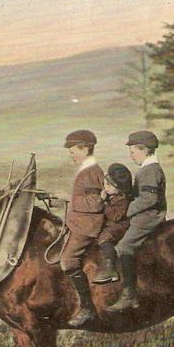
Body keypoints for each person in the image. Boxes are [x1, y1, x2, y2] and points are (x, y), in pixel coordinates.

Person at [106, 130, 167, 313]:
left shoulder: (150, 171)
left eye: (133, 151)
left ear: (144, 150)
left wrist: (126, 210)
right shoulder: (146, 169)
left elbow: (149, 199)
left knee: (124, 246)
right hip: (142, 215)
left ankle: (129, 295)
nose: (131, 155)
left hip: (147, 217)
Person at [60, 129, 105, 327]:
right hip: (80, 221)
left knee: (68, 260)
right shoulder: (86, 170)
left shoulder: (92, 172)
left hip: (87, 226)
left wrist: (68, 198)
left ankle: (88, 308)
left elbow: (95, 204)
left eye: (73, 151)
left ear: (86, 148)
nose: (71, 155)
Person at [93, 163, 133, 284]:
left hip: (120, 225)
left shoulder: (123, 200)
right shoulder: (113, 196)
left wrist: (104, 203)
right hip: (114, 224)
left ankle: (110, 268)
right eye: (105, 184)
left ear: (119, 188)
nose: (106, 188)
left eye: (109, 185)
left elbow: (115, 217)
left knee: (104, 237)